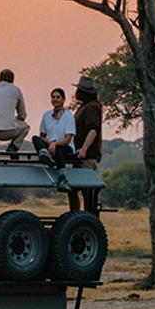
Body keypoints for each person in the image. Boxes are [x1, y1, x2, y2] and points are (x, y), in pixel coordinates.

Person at [70, 75, 104, 213]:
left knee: (86, 190)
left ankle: (86, 218)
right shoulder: (84, 106)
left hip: (87, 156)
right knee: (73, 188)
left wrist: (84, 148)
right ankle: (76, 216)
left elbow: (93, 129)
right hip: (79, 156)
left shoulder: (92, 107)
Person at [33, 87, 76, 168]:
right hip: (51, 145)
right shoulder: (46, 115)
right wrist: (50, 144)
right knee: (35, 138)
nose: (55, 99)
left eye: (58, 97)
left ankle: (62, 173)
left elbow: (67, 139)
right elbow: (42, 136)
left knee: (58, 149)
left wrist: (54, 144)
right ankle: (45, 156)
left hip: (64, 147)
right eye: (53, 97)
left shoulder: (68, 116)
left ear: (63, 99)